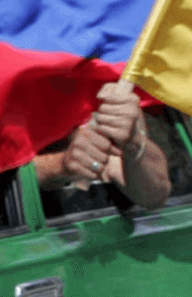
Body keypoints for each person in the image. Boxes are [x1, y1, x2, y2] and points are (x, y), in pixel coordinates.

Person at [33, 82, 171, 210]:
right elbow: (12, 175)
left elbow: (155, 194)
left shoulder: (111, 109)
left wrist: (133, 144)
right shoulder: (22, 109)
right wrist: (61, 164)